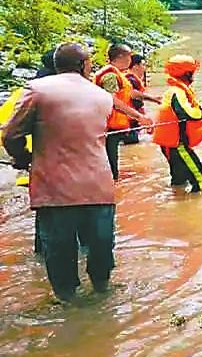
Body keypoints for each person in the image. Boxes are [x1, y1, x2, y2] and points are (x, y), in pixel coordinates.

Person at [1, 43, 152, 302]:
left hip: (54, 188)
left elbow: (11, 135)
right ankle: (102, 293)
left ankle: (67, 302)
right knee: (101, 245)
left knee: (59, 249)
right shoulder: (100, 95)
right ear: (83, 65)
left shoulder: (37, 90)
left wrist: (24, 159)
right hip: (98, 185)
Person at [152, 55, 202, 193]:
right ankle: (195, 205)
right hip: (178, 145)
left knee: (179, 181)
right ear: (187, 74)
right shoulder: (178, 92)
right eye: (192, 72)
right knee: (201, 183)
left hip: (170, 145)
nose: (194, 76)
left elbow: (194, 109)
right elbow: (189, 113)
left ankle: (176, 202)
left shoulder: (174, 91)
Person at [94, 43, 156, 178]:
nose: (131, 59)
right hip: (108, 126)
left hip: (115, 125)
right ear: (121, 57)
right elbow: (113, 100)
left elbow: (130, 94)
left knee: (111, 166)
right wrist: (139, 117)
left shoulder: (118, 74)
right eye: (129, 56)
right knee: (110, 170)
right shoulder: (110, 75)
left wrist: (153, 99)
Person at [122, 54, 159, 145]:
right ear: (135, 66)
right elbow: (132, 94)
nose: (144, 68)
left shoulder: (132, 79)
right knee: (132, 142)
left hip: (132, 119)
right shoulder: (129, 79)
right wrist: (153, 99)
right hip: (128, 120)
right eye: (143, 65)